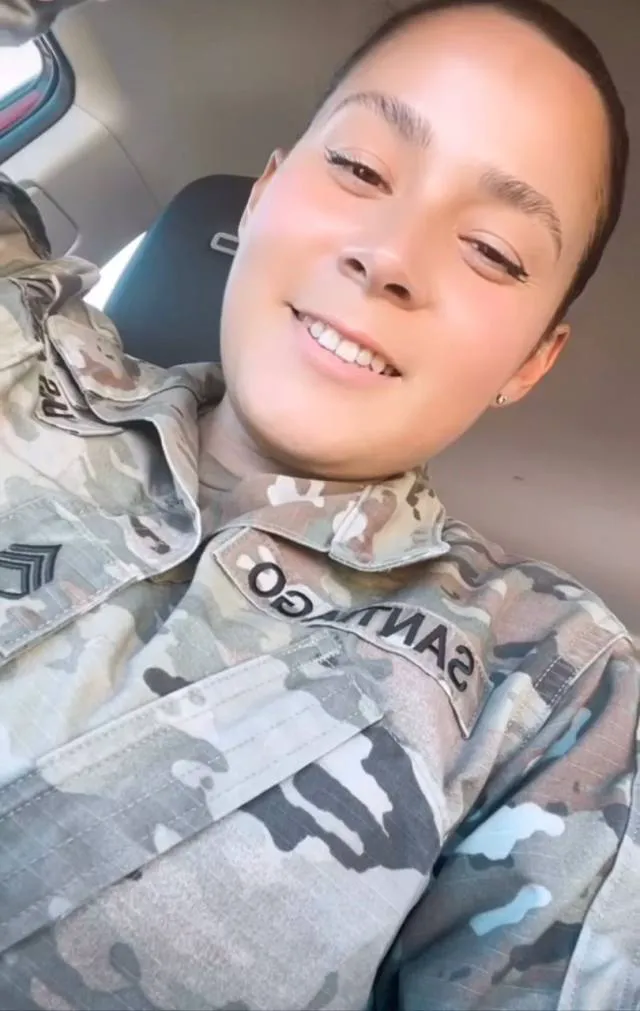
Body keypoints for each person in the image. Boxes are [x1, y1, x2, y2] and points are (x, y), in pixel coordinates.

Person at [0, 0, 637, 1008]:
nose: (390, 256)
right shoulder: (23, 349)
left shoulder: (553, 693)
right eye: (360, 168)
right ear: (262, 196)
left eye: (494, 250)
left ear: (529, 362)